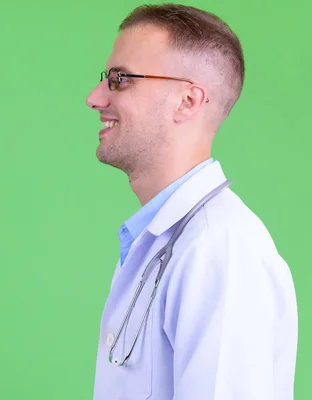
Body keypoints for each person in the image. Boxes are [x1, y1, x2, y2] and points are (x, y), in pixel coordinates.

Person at [85, 3, 298, 400]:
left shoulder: (220, 250)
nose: (94, 97)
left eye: (120, 79)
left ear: (187, 100)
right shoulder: (159, 242)